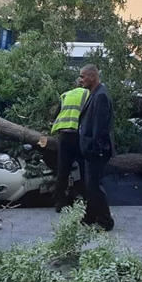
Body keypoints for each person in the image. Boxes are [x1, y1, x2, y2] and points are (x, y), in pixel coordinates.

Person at [77, 64, 115, 231]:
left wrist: (95, 149)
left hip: (97, 150)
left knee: (95, 186)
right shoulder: (94, 93)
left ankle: (106, 221)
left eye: (83, 76)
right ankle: (90, 217)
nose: (80, 79)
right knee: (90, 185)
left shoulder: (100, 96)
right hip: (91, 149)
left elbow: (100, 127)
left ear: (92, 77)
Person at [50, 81, 89, 213]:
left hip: (64, 136)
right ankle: (85, 201)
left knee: (63, 171)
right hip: (79, 136)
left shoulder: (65, 95)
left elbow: (55, 115)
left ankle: (59, 204)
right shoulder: (88, 94)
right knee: (85, 170)